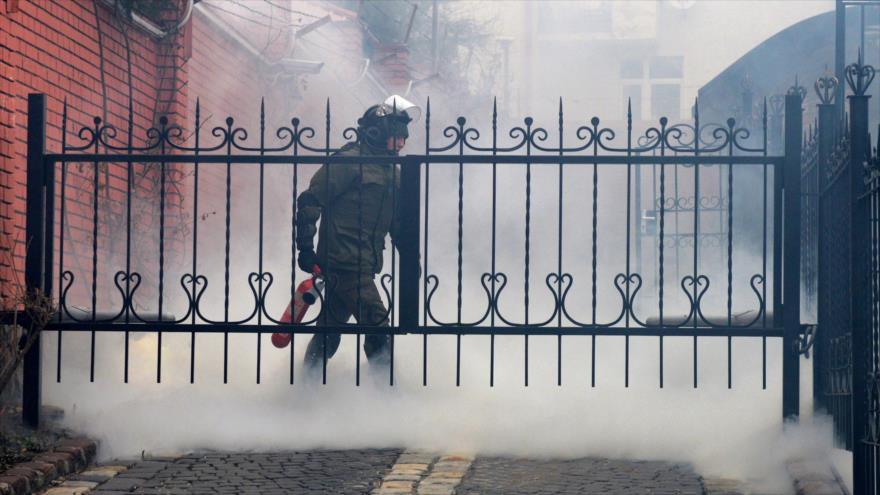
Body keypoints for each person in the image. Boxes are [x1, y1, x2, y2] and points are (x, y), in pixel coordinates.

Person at [295, 95, 420, 376]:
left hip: (364, 263)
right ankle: (386, 397)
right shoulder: (349, 162)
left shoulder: (392, 172)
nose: (401, 144)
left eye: (404, 138)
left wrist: (411, 261)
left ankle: (304, 388)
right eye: (396, 137)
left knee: (330, 330)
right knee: (377, 325)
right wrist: (305, 249)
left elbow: (397, 224)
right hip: (344, 262)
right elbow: (311, 201)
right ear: (377, 133)